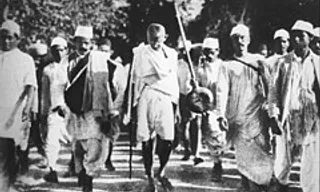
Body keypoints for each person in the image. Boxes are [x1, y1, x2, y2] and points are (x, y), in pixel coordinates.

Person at [216, 24, 274, 191]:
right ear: (231, 42)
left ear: (248, 40)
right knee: (243, 157)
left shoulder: (259, 61)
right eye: (236, 38)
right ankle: (247, 186)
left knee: (262, 153)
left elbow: (271, 87)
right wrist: (221, 115)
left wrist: (272, 112)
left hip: (258, 117)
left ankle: (258, 187)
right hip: (239, 118)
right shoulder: (227, 66)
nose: (239, 41)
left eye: (243, 37)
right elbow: (221, 90)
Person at [65, 26, 118, 192]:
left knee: (95, 142)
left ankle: (89, 177)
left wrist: (110, 107)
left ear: (91, 43)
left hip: (93, 108)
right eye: (79, 42)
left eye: (86, 43)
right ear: (74, 42)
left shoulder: (99, 59)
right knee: (77, 145)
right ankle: (81, 170)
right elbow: (60, 85)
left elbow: (113, 80)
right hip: (72, 109)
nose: (83, 46)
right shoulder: (66, 61)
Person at [268, 20, 320, 192]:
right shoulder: (283, 62)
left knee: (311, 164)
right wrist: (273, 116)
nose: (296, 39)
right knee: (282, 161)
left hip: (311, 120)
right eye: (294, 35)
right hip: (288, 119)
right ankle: (281, 186)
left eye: (301, 35)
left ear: (310, 38)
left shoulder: (317, 62)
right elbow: (274, 92)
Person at [132, 23, 179, 192]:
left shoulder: (172, 55)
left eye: (158, 40)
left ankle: (162, 171)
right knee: (146, 139)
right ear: (147, 38)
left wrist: (177, 106)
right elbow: (134, 79)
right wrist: (131, 107)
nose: (154, 43)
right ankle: (149, 175)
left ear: (165, 38)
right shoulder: (140, 53)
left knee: (167, 139)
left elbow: (173, 81)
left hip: (166, 97)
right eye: (151, 40)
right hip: (147, 95)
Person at [0, 20, 37, 192]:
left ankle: (7, 185)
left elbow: (30, 87)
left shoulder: (25, 60)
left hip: (12, 113)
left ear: (18, 39)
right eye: (3, 38)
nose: (6, 42)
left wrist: (27, 110)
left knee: (8, 150)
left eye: (9, 38)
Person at [194, 37, 227, 182]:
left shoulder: (224, 66)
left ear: (218, 51)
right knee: (211, 136)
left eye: (212, 52)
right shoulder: (200, 69)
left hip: (224, 105)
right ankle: (217, 164)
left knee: (224, 136)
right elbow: (195, 87)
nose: (209, 55)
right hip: (209, 108)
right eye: (206, 52)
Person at [40, 36, 72, 183]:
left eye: (62, 50)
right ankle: (52, 169)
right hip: (54, 110)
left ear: (66, 50)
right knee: (51, 141)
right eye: (55, 50)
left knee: (75, 140)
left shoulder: (71, 67)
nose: (59, 53)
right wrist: (43, 113)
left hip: (70, 110)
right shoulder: (47, 70)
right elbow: (45, 94)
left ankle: (77, 168)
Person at [98, 37, 127, 171]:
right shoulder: (94, 66)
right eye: (101, 50)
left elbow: (122, 89)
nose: (104, 54)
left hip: (113, 106)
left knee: (111, 134)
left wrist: (116, 108)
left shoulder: (118, 68)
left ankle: (108, 159)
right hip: (97, 106)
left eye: (106, 51)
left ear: (111, 52)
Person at [176, 39, 193, 161]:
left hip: (195, 95)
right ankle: (187, 149)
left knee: (196, 124)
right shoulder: (179, 65)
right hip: (182, 96)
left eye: (185, 50)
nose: (183, 53)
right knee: (184, 124)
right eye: (181, 50)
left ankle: (196, 150)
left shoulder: (196, 64)